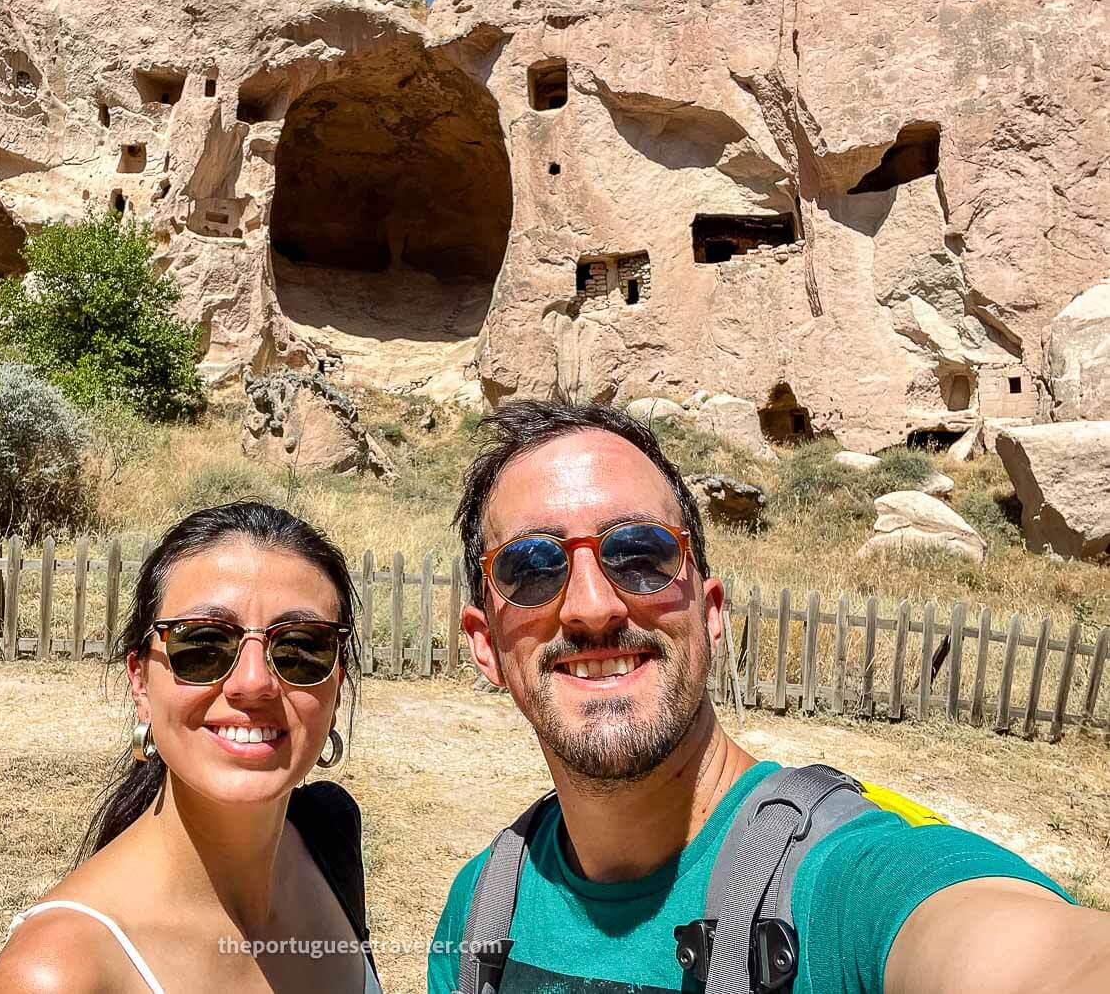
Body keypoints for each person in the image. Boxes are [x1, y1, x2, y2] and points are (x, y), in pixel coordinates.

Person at [429, 400, 1110, 994]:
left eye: (640, 552)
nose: (592, 605)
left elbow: (1024, 950)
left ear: (711, 611)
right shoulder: (481, 910)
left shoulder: (838, 885)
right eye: (531, 566)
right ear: (485, 643)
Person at [0, 502, 381, 993]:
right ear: (140, 684)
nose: (253, 683)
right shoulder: (61, 974)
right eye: (203, 646)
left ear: (336, 686)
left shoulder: (328, 835)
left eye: (301, 648)